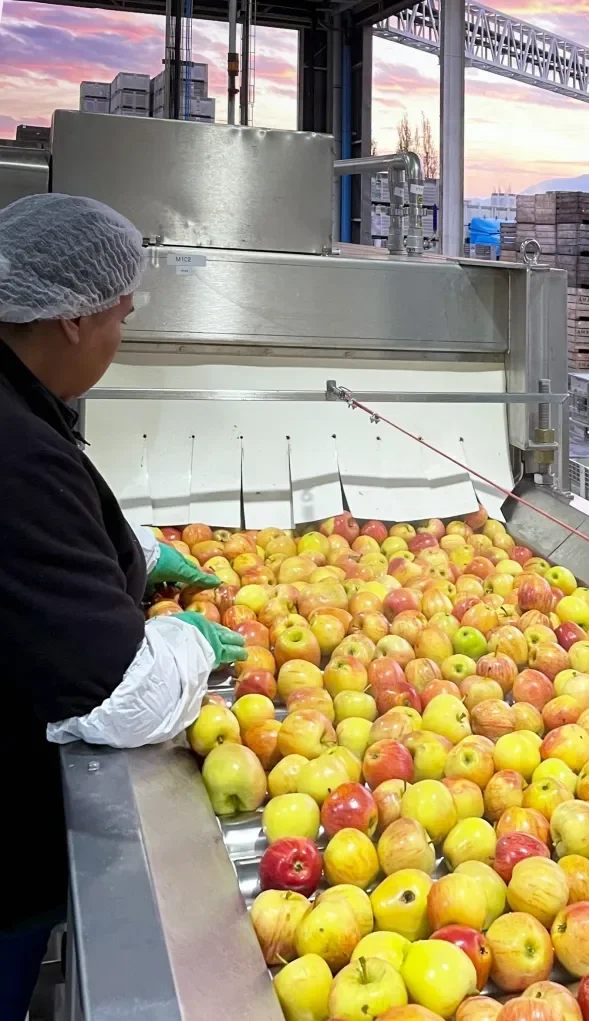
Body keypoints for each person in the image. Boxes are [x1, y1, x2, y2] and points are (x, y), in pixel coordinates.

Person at [0, 194, 247, 1020]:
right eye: (121, 315)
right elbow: (120, 695)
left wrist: (133, 551)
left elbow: (45, 545)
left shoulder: (19, 403)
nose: (120, 333)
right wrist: (190, 643)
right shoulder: (16, 449)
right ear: (71, 319)